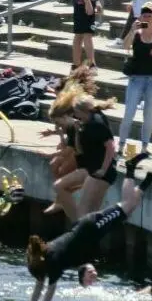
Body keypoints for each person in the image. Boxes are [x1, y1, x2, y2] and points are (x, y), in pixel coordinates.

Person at [24, 154, 152, 301]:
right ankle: (147, 181)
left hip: (92, 227)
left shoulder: (53, 261)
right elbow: (39, 286)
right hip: (88, 229)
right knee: (128, 209)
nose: (40, 279)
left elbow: (49, 291)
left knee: (127, 205)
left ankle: (131, 168)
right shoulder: (44, 255)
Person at [47, 86, 119, 225]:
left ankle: (78, 228)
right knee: (59, 187)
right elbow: (79, 150)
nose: (75, 116)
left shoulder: (95, 123)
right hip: (90, 168)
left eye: (76, 113)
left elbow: (111, 147)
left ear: (82, 111)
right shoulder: (83, 124)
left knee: (85, 213)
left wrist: (104, 169)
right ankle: (79, 228)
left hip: (101, 172)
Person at [119, 4, 152, 156]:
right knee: (129, 112)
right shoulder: (136, 33)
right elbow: (125, 46)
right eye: (144, 15)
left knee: (148, 114)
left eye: (150, 16)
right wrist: (132, 30)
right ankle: (121, 144)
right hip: (136, 78)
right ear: (140, 17)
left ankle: (145, 146)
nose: (146, 18)